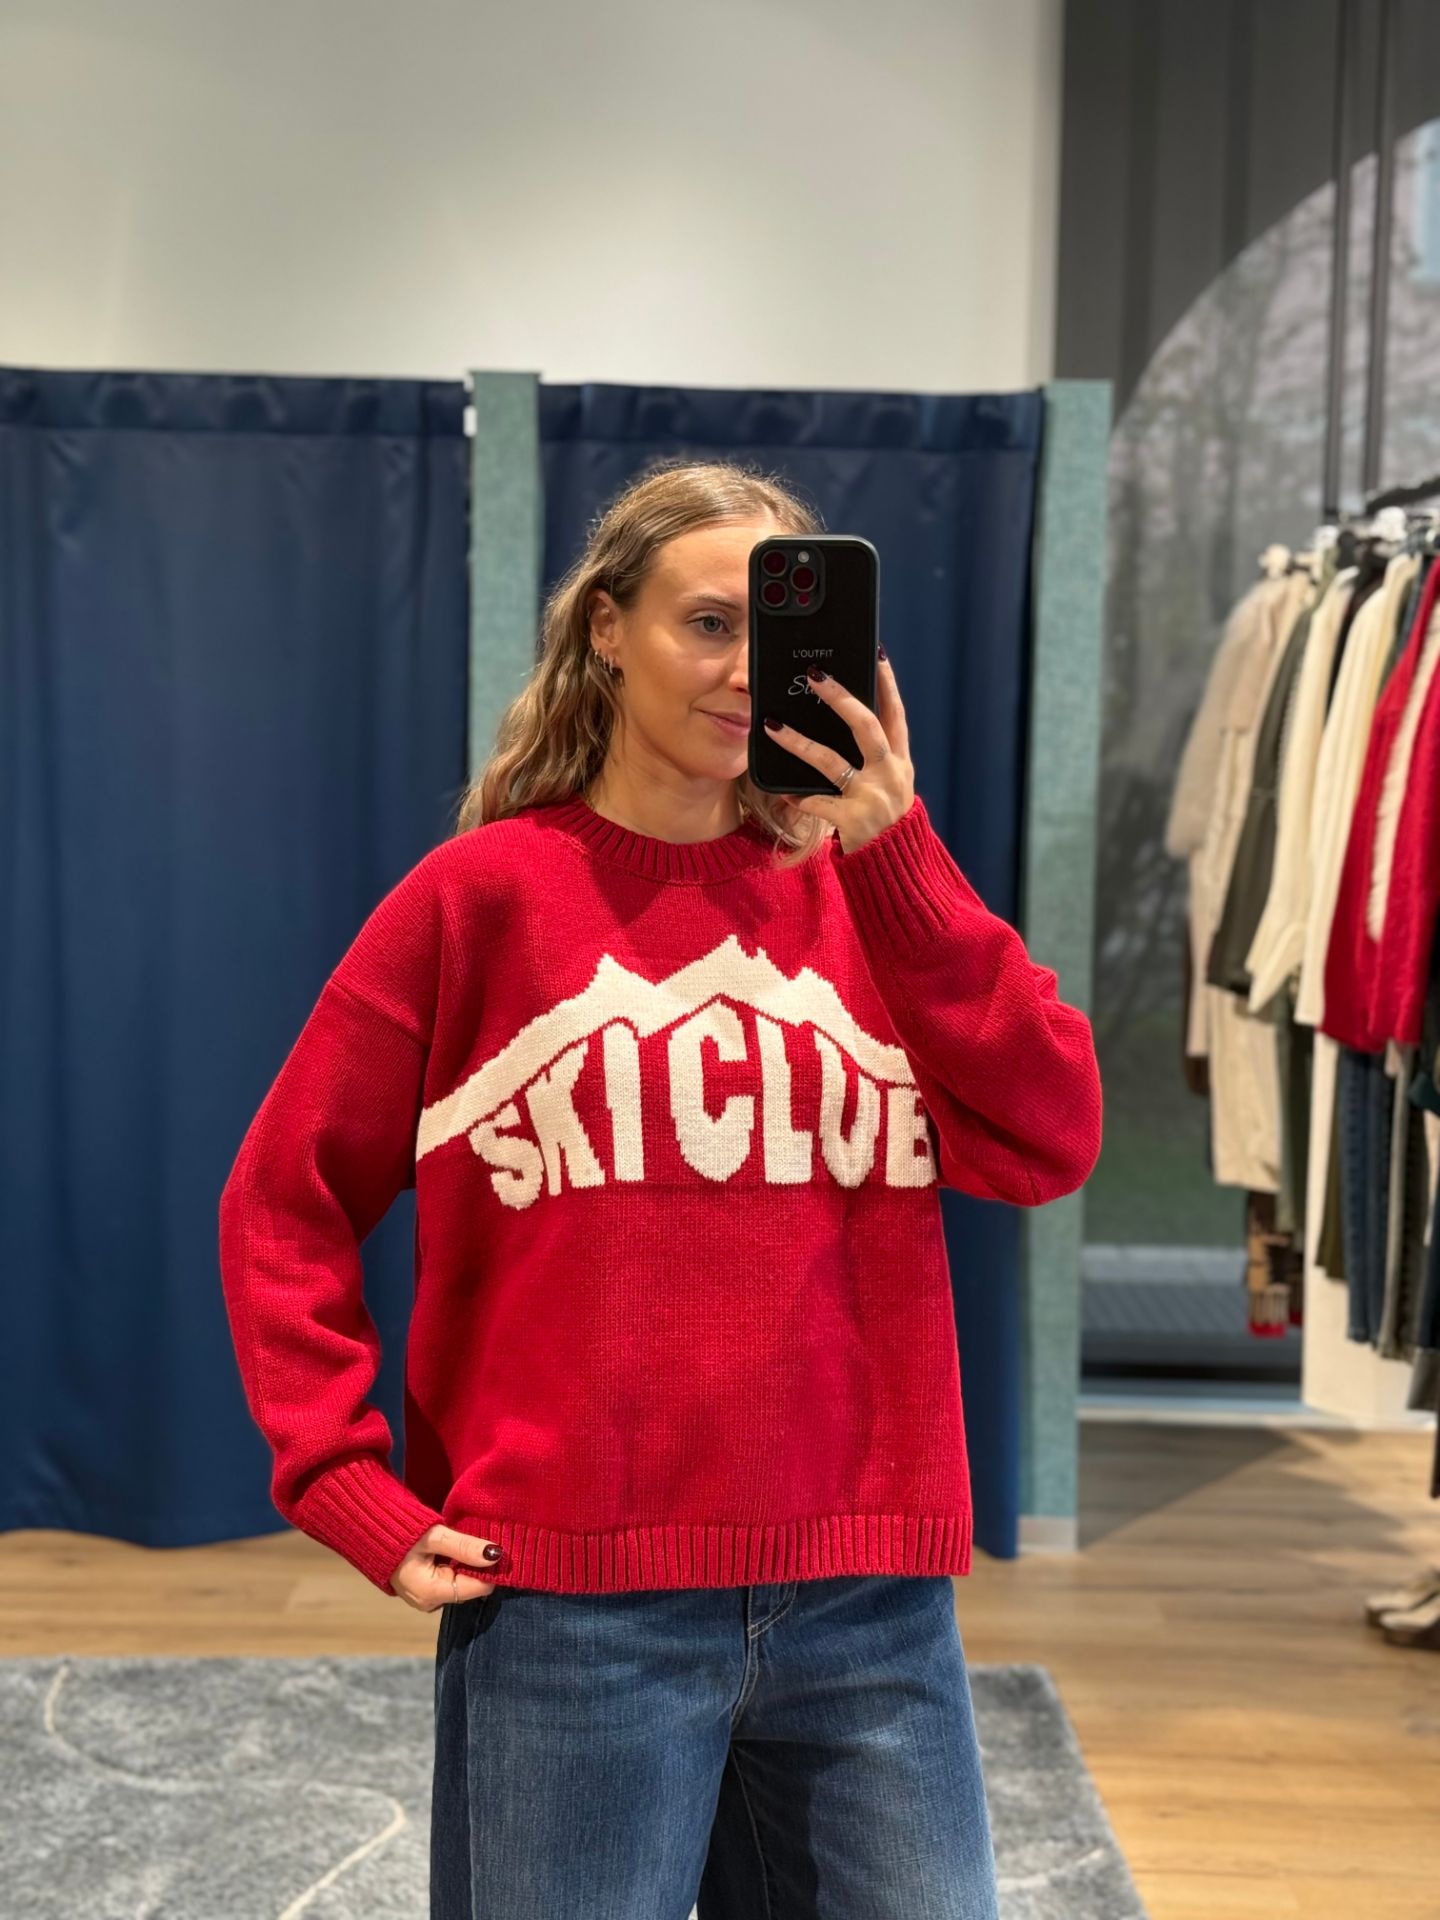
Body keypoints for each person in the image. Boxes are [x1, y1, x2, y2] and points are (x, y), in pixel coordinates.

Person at [218, 457, 1103, 1918]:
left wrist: (898, 858)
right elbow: (282, 1198)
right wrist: (340, 1476)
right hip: (574, 1610)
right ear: (607, 630)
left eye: (782, 631)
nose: (749, 671)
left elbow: (1050, 1137)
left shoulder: (879, 899)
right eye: (708, 624)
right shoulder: (480, 901)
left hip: (868, 1607)